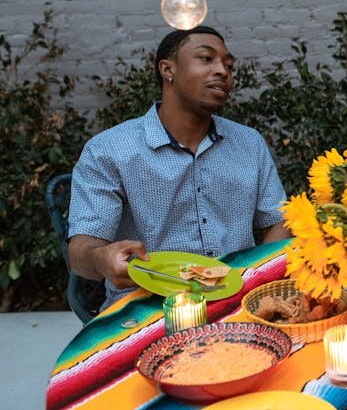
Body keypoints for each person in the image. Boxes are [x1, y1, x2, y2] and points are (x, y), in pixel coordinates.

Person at [68, 26, 290, 309]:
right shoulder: (109, 150)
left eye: (229, 65)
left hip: (237, 302)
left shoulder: (249, 143)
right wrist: (100, 258)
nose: (222, 71)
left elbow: (279, 221)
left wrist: (253, 278)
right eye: (206, 58)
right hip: (147, 309)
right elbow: (80, 254)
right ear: (167, 69)